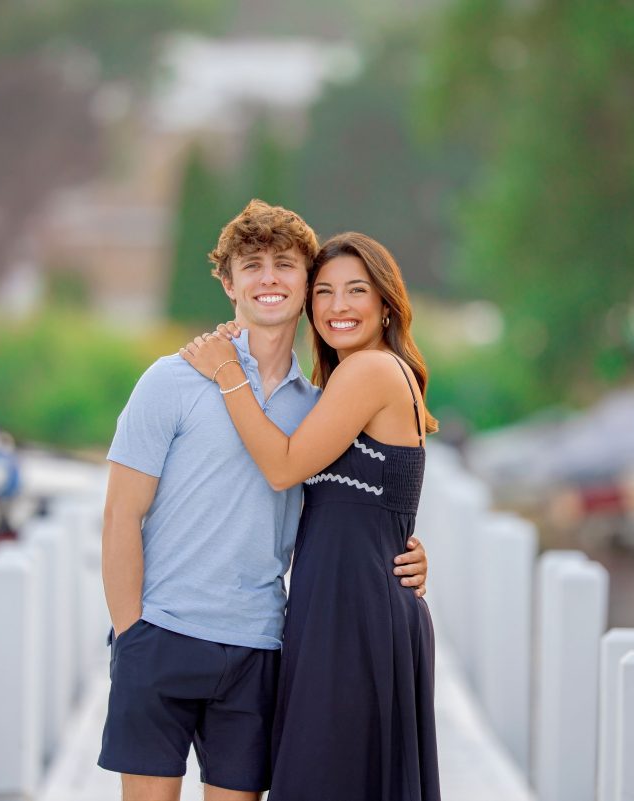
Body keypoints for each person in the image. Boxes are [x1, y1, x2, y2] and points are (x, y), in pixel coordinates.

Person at [99, 201, 429, 801]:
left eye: (285, 266)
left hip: (260, 647)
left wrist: (403, 548)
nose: (268, 279)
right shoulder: (170, 381)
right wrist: (131, 634)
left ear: (303, 286)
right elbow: (121, 513)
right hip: (162, 634)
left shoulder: (319, 406)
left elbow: (359, 491)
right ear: (229, 283)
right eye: (251, 266)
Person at [181, 231, 440, 801]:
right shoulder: (346, 382)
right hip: (341, 610)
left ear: (386, 303)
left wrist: (228, 373)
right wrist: (404, 544)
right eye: (324, 291)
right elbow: (375, 506)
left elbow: (283, 467)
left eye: (356, 290)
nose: (338, 306)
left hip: (355, 619)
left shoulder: (370, 370)